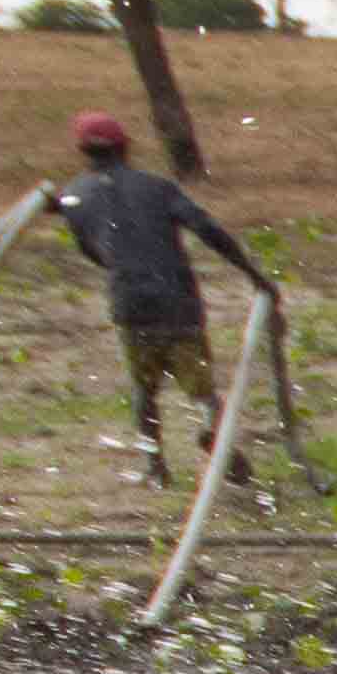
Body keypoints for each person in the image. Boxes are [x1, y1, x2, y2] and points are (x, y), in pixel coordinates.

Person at [46, 108, 280, 483]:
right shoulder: (157, 187)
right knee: (201, 386)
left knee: (144, 389)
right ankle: (212, 433)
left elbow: (91, 252)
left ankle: (154, 467)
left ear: (82, 151)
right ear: (126, 148)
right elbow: (207, 229)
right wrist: (253, 275)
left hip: (131, 303)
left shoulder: (74, 196)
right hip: (177, 298)